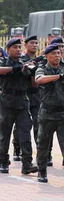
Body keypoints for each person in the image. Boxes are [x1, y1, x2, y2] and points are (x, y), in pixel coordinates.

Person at [34, 44, 64, 183]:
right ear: (46, 55)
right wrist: (58, 76)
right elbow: (39, 80)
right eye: (53, 53)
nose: (57, 56)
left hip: (63, 113)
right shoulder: (42, 69)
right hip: (47, 113)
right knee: (43, 144)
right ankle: (42, 171)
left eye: (59, 53)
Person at [0, 38, 37, 174]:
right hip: (7, 102)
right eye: (14, 47)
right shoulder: (3, 61)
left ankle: (27, 164)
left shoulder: (24, 64)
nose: (17, 49)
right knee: (4, 134)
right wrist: (13, 69)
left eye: (19, 47)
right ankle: (3, 162)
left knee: (25, 134)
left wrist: (33, 71)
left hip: (22, 101)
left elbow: (34, 85)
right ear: (8, 48)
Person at [13, 35, 40, 162]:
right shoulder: (21, 60)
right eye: (32, 43)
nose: (35, 45)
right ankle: (17, 148)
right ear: (26, 45)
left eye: (36, 43)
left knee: (38, 124)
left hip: (36, 96)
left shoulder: (40, 61)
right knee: (22, 125)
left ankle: (42, 151)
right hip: (24, 94)